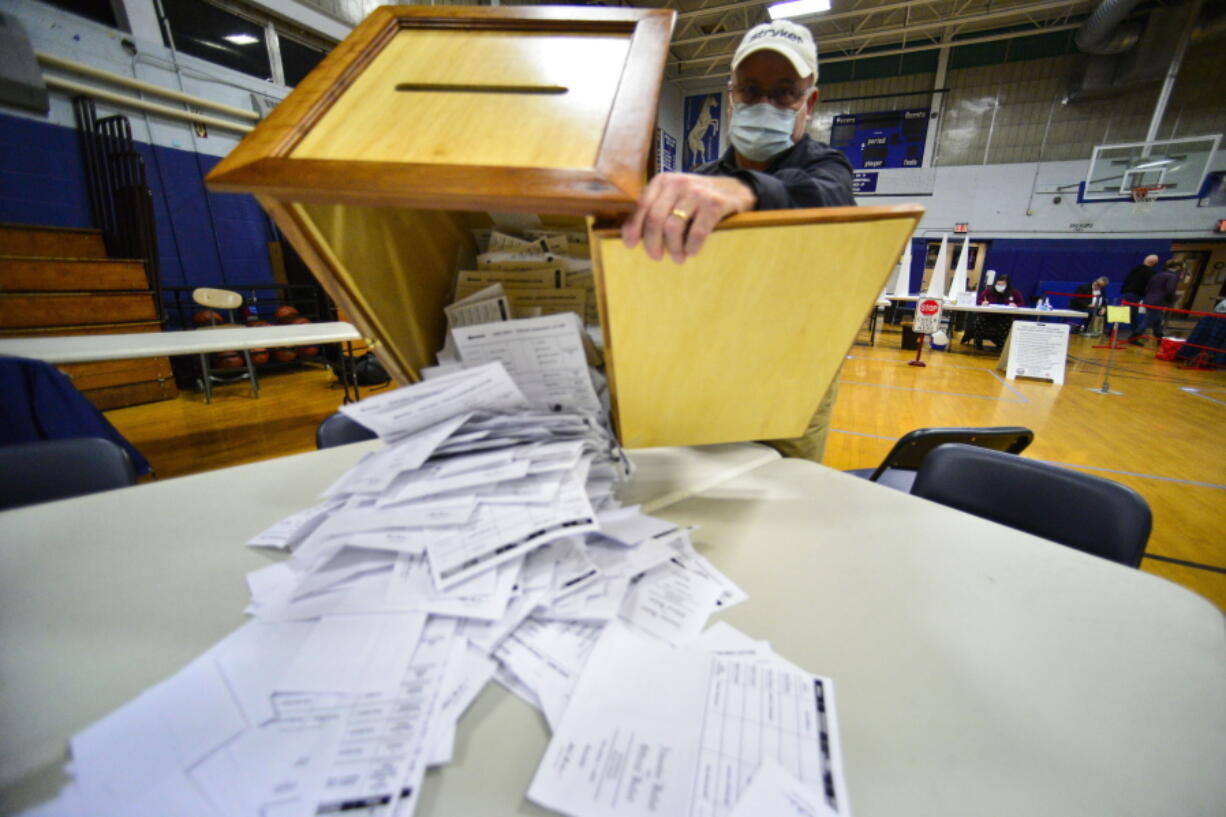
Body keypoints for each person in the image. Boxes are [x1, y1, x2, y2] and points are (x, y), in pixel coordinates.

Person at [620, 20, 855, 463]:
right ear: (731, 97)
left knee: (783, 493)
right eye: (750, 89)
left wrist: (748, 191)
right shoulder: (702, 181)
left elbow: (831, 201)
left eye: (784, 92)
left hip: (795, 379)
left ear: (810, 101)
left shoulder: (826, 167)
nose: (765, 102)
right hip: (710, 370)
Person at [961, 273, 1024, 351]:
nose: (1000, 286)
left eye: (1002, 285)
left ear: (1007, 285)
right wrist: (982, 303)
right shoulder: (989, 291)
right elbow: (978, 300)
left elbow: (1021, 303)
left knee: (1008, 323)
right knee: (979, 322)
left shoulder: (1013, 292)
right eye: (998, 284)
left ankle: (1001, 345)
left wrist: (1015, 304)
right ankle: (978, 344)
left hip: (1004, 317)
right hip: (988, 315)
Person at [1129, 259, 1181, 345]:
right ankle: (1133, 337)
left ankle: (1159, 339)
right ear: (1177, 267)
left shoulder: (1158, 274)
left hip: (1149, 299)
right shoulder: (1172, 276)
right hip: (1158, 302)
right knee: (1148, 320)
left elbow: (1148, 287)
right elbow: (1170, 290)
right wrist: (1172, 299)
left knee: (1157, 320)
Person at [1120, 254, 1159, 333]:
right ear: (1153, 262)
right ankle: (1135, 334)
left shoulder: (1135, 269)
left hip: (1127, 293)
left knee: (1130, 315)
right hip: (1135, 295)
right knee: (1127, 314)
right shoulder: (1150, 272)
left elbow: (1127, 280)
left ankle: (1135, 334)